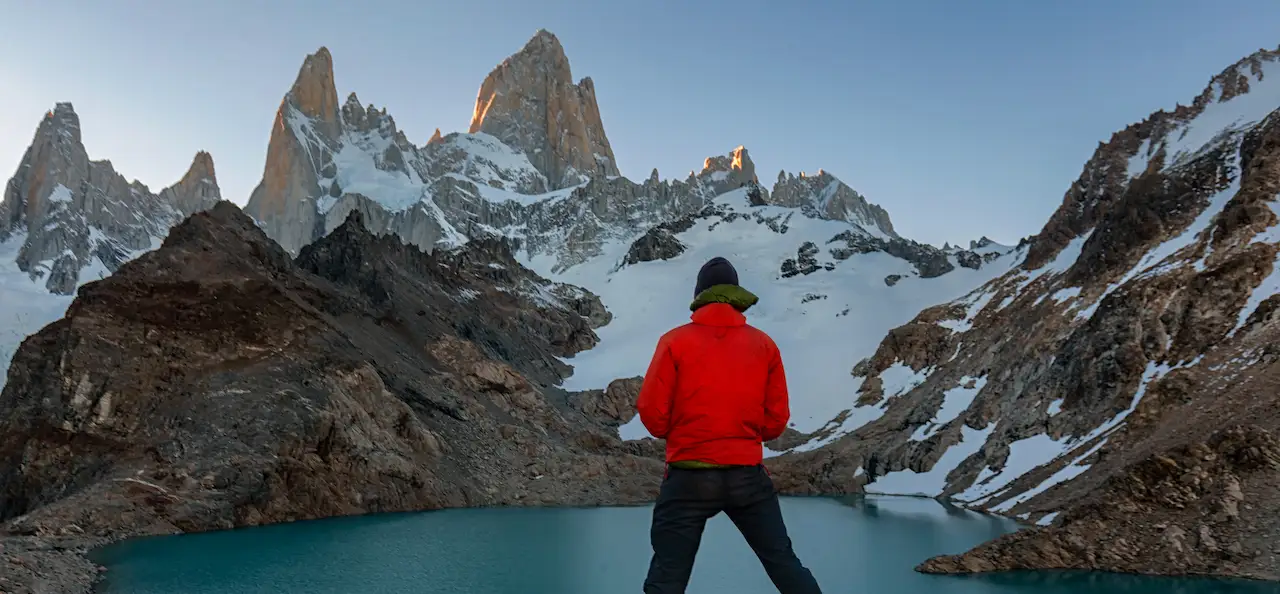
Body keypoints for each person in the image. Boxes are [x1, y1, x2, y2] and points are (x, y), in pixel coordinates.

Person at [636, 256, 823, 594]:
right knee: (782, 561)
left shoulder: (674, 341)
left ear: (700, 294)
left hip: (688, 476)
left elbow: (652, 412)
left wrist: (679, 432)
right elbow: (776, 421)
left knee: (668, 574)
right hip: (746, 477)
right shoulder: (764, 344)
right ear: (736, 295)